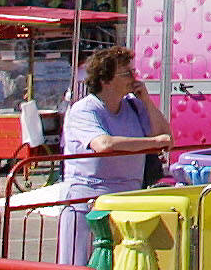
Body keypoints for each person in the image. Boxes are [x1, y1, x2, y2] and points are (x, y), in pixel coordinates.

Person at [61, 47, 172, 198]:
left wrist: (147, 101)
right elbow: (104, 145)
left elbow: (166, 138)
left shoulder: (134, 105)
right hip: (90, 198)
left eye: (133, 72)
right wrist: (155, 142)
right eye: (126, 74)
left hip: (130, 195)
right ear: (105, 80)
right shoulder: (84, 109)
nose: (133, 78)